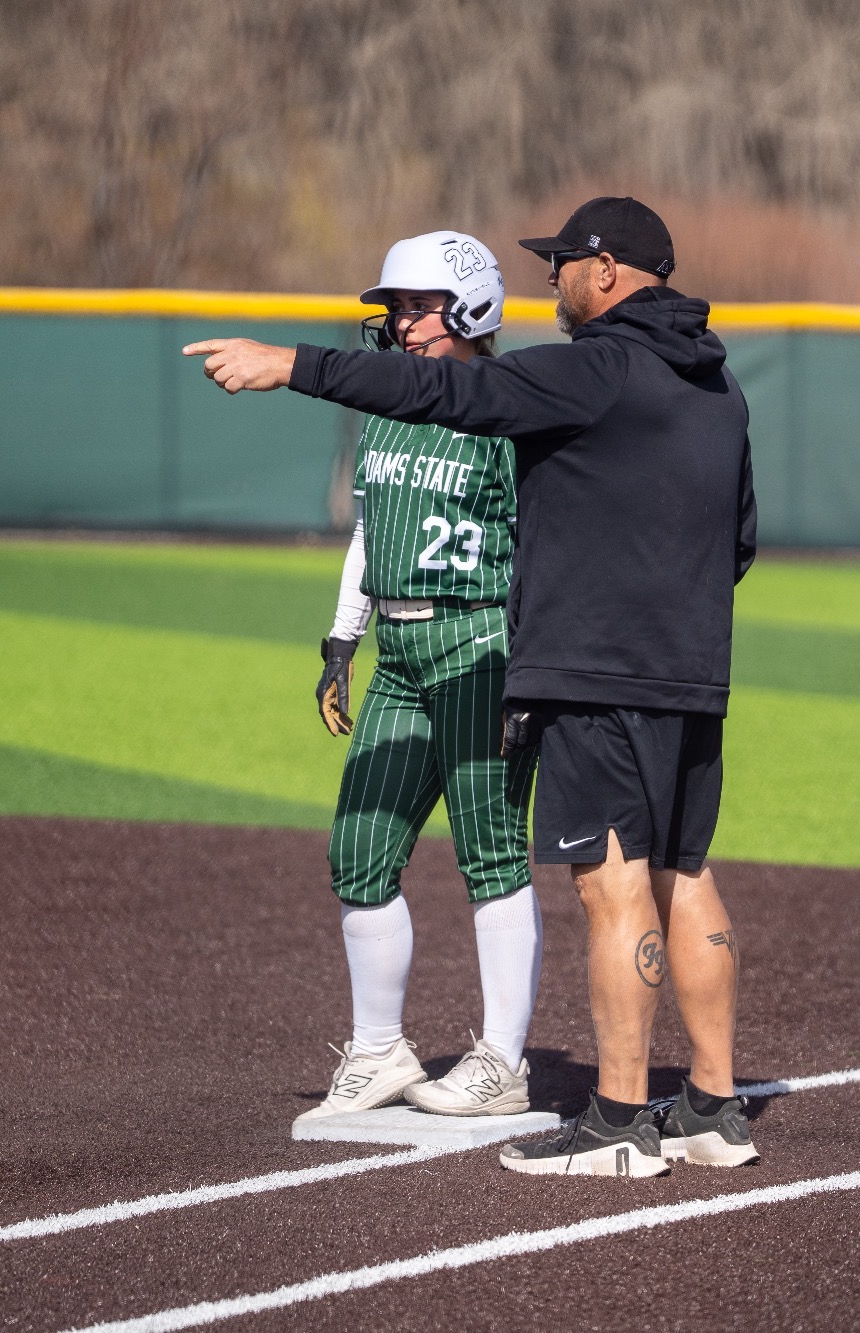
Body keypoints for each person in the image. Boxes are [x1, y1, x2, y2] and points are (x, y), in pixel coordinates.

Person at [186, 197, 758, 1178]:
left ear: (608, 271)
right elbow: (738, 539)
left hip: (595, 666)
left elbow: (457, 399)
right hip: (691, 666)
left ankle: (619, 1123)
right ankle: (710, 1106)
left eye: (563, 265)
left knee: (614, 884)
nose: (552, 281)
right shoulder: (718, 388)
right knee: (684, 872)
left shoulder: (597, 365)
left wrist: (291, 366)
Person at [280, 231, 543, 1127]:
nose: (401, 322)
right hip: (398, 652)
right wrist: (341, 638)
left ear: (470, 306)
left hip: (478, 644)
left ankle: (502, 1060)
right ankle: (379, 1046)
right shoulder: (388, 402)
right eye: (395, 307)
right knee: (358, 852)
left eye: (419, 305)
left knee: (491, 855)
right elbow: (370, 530)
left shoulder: (513, 409)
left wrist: (534, 665)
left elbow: (544, 551)